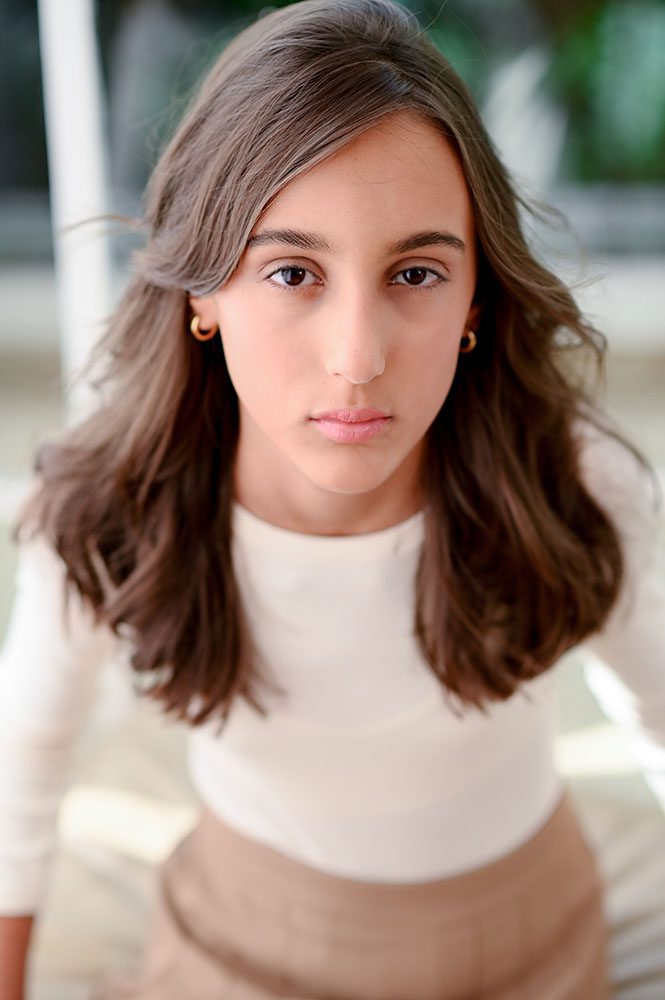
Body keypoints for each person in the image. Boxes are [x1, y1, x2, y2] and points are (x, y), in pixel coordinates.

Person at [0, 1, 663, 997]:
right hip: (237, 945)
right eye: (292, 272)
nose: (357, 357)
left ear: (475, 299)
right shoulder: (109, 509)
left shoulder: (563, 481)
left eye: (415, 272)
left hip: (527, 944)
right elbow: (21, 770)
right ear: (202, 293)